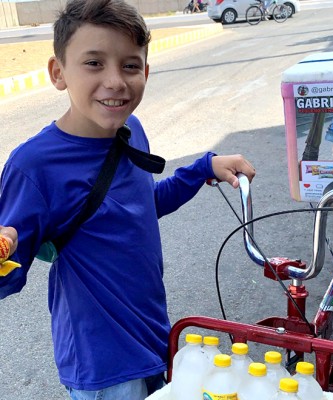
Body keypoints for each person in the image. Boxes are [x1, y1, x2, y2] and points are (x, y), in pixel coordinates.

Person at [0, 0, 256, 399]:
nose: (116, 81)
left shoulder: (130, 129)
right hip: (104, 365)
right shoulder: (34, 166)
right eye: (94, 63)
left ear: (146, 72)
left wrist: (202, 169)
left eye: (130, 65)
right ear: (58, 72)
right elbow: (9, 274)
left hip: (154, 337)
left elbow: (138, 210)